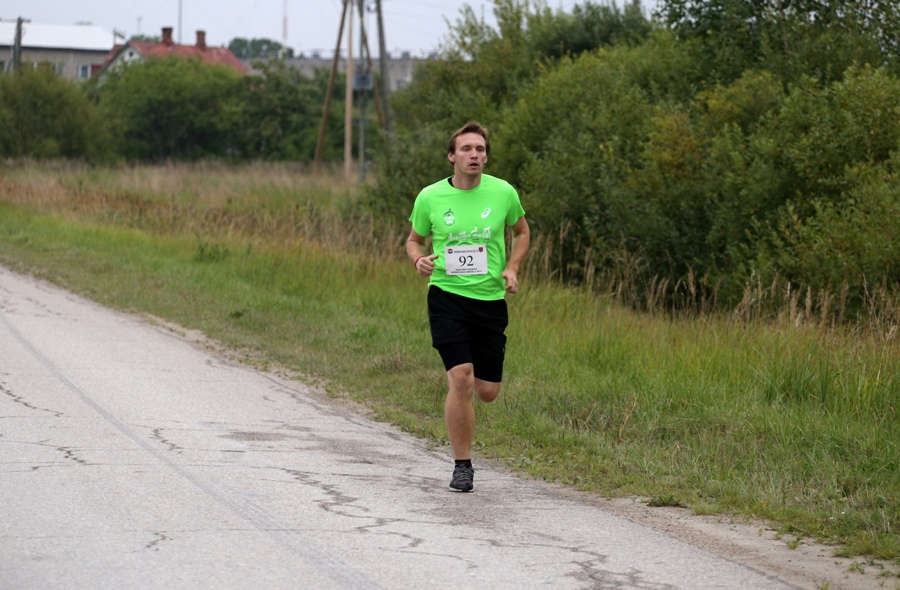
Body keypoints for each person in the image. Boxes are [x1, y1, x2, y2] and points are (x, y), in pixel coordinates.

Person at [406, 121, 530, 492]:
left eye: (480, 149)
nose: (474, 155)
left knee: (487, 390)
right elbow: (414, 240)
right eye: (466, 149)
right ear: (452, 156)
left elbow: (522, 232)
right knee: (461, 377)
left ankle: (469, 390)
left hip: (490, 300)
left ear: (486, 156)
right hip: (446, 296)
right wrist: (418, 260)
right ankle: (462, 466)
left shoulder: (503, 192)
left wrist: (512, 267)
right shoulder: (430, 197)